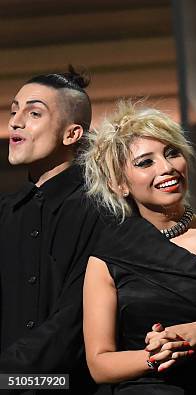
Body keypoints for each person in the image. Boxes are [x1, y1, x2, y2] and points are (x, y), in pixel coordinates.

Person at [79, 101, 196, 394]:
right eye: (145, 162)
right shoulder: (106, 258)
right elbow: (99, 364)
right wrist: (160, 354)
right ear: (118, 184)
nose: (167, 168)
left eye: (172, 153)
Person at [0, 67, 101, 393]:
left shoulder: (102, 210)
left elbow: (73, 322)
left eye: (33, 113)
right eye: (14, 110)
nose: (15, 121)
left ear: (71, 134)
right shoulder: (5, 213)